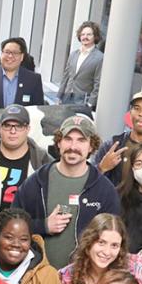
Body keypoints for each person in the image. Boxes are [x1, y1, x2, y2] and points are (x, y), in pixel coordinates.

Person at [12, 115, 121, 270]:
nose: (73, 146)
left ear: (91, 146)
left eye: (81, 140)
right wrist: (43, 226)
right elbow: (12, 224)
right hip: (36, 275)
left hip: (83, 279)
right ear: (59, 142)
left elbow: (114, 238)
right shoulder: (37, 182)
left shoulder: (104, 190)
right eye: (68, 139)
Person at [0, 104, 53, 208]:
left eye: (19, 126)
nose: (12, 131)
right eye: (7, 125)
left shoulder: (41, 159)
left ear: (27, 129)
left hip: (23, 221)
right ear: (0, 128)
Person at [0, 37, 45, 108]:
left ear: (22, 56)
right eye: (7, 52)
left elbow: (38, 109)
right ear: (1, 54)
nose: (10, 56)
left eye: (15, 53)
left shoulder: (34, 79)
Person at [58, 21, 104, 109]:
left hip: (83, 101)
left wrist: (90, 103)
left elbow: (98, 83)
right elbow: (66, 76)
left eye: (89, 34)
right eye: (83, 34)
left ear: (95, 36)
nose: (85, 37)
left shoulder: (100, 58)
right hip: (66, 98)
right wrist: (60, 96)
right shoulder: (73, 54)